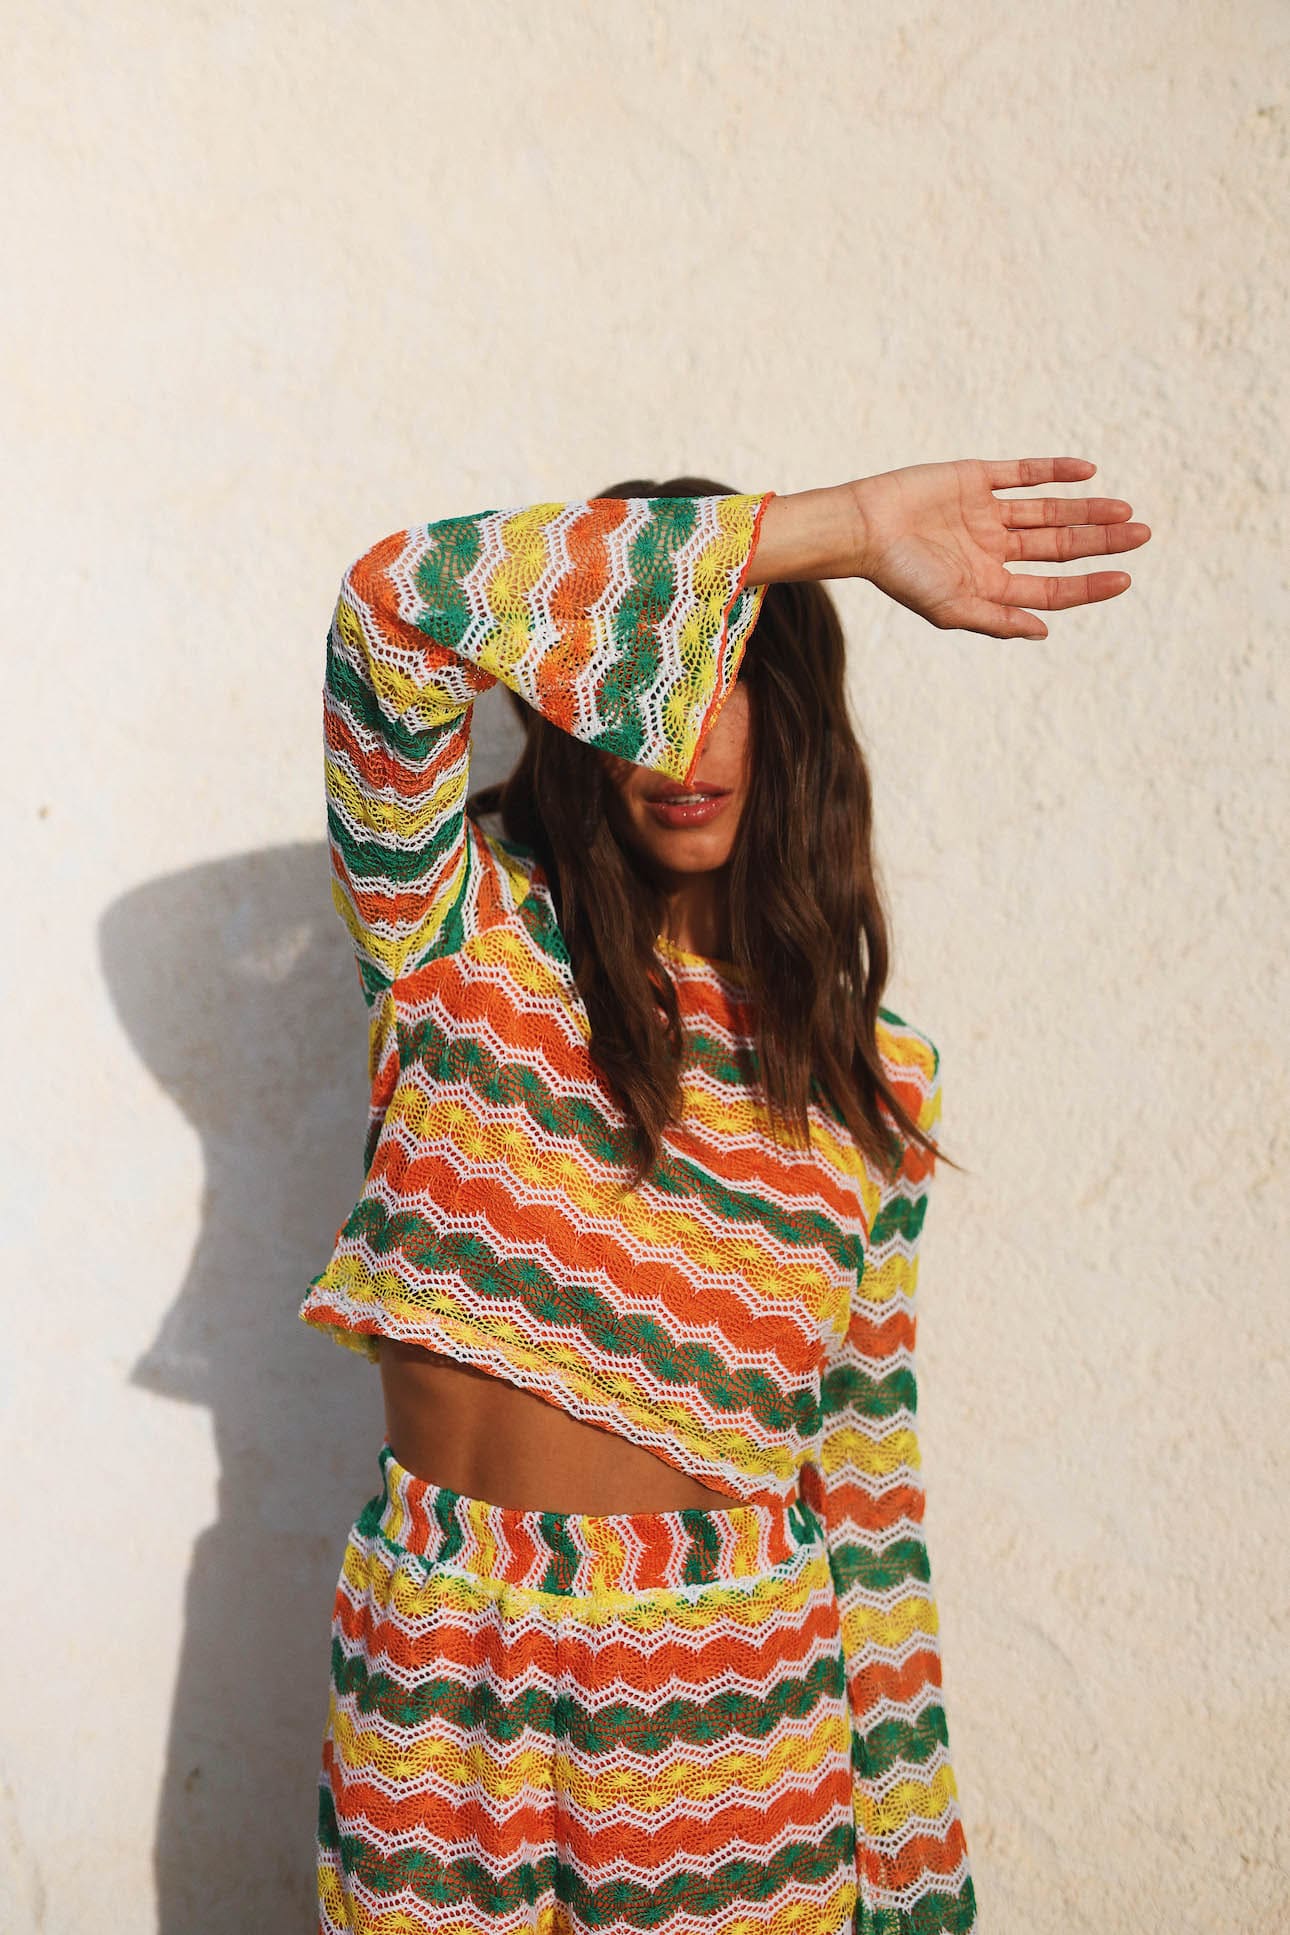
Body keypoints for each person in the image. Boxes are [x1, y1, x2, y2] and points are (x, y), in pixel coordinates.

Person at [299, 458, 1150, 1935]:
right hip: (436, 1676)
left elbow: (863, 1492)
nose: (684, 742)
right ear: (573, 715)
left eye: (732, 680)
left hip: (731, 1713)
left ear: (797, 719)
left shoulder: (868, 1083)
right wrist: (844, 533)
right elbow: (393, 611)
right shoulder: (453, 931)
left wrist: (914, 1879)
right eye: (647, 689)